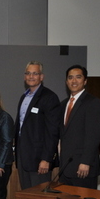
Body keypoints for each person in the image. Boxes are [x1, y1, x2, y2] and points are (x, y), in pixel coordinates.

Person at [14, 61, 60, 190]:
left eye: (35, 73)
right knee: (27, 198)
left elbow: (52, 131)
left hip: (39, 160)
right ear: (24, 76)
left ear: (41, 77)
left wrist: (46, 159)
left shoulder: (49, 97)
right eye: (28, 73)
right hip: (23, 158)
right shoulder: (24, 97)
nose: (31, 76)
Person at [59, 65, 100, 189]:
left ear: (85, 81)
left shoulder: (93, 102)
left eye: (78, 77)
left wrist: (85, 162)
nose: (74, 81)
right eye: (70, 78)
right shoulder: (63, 104)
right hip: (65, 168)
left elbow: (94, 136)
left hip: (83, 168)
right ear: (66, 81)